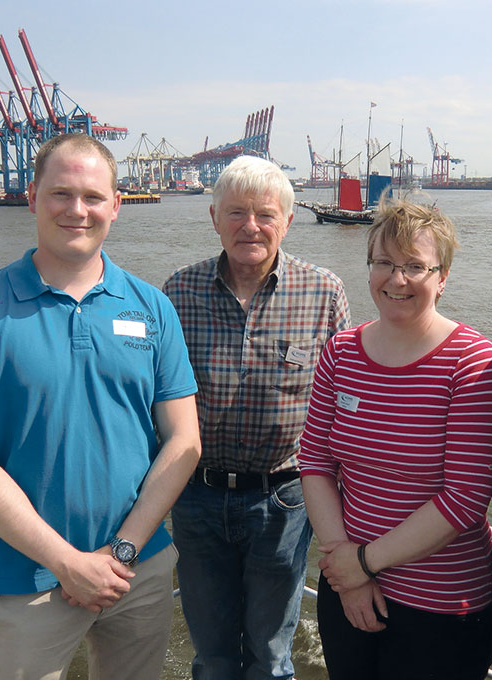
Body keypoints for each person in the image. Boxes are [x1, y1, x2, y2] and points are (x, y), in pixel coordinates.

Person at [0, 133, 201, 680]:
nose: (77, 210)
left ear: (116, 206)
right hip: (24, 578)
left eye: (93, 196)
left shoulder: (153, 308)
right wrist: (67, 563)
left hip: (138, 571)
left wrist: (121, 552)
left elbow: (184, 440)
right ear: (31, 197)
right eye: (60, 193)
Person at [299, 199, 492, 680]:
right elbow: (313, 462)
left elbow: (465, 498)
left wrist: (365, 563)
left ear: (443, 276)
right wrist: (343, 567)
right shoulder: (341, 351)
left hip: (440, 605)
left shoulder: (471, 362)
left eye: (415, 266)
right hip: (346, 586)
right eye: (385, 263)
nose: (397, 280)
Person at [162, 155, 350, 680]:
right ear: (214, 217)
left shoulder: (324, 292)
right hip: (196, 498)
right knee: (213, 656)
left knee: (270, 657)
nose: (251, 226)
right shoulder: (176, 293)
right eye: (237, 212)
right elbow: (151, 396)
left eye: (266, 214)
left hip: (283, 502)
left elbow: (342, 400)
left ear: (287, 222)